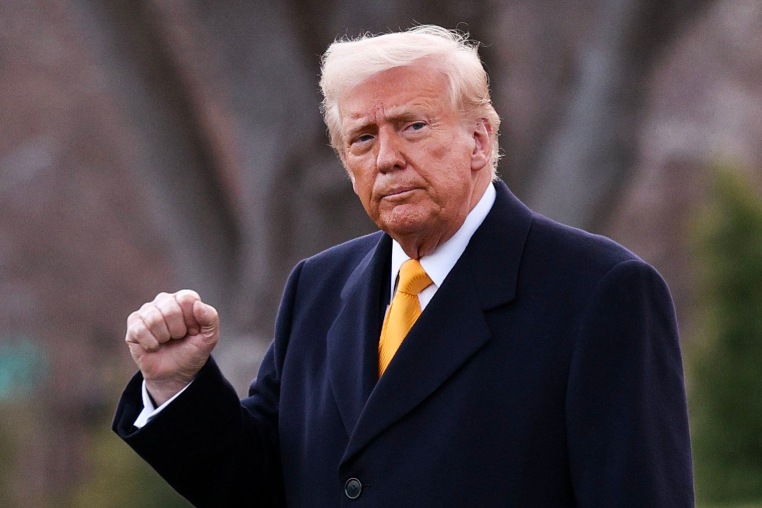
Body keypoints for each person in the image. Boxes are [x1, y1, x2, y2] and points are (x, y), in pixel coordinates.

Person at [113, 25, 694, 507]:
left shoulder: (599, 291)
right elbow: (260, 487)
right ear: (345, 164)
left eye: (412, 126)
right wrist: (176, 384)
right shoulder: (316, 288)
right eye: (362, 138)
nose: (388, 158)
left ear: (478, 139)